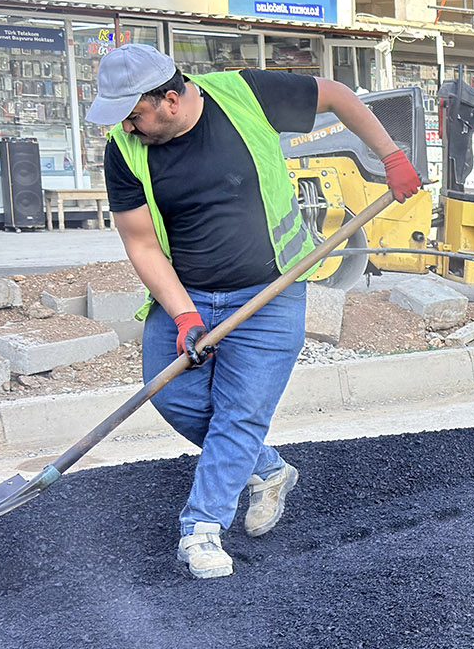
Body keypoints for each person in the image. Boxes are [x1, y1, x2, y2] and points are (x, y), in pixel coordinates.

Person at [89, 44, 423, 578]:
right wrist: (183, 317)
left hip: (271, 290)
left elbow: (336, 96)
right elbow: (143, 244)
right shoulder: (123, 150)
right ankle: (265, 468)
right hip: (188, 293)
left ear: (171, 100)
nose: (128, 127)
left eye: (134, 114)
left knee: (240, 412)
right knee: (170, 393)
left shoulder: (246, 94)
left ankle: (201, 529)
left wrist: (391, 155)